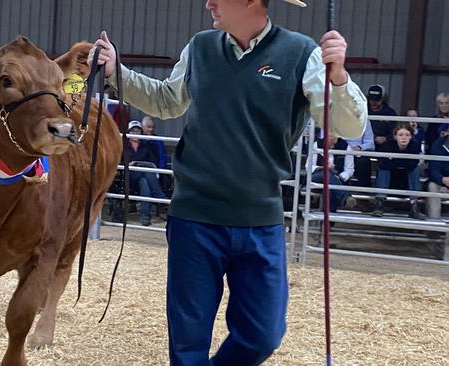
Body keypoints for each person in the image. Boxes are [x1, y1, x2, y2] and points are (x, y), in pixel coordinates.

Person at [89, 0, 367, 364]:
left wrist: (340, 78)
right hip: (194, 216)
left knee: (263, 335)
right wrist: (116, 71)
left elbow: (349, 126)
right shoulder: (200, 46)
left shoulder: (301, 53)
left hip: (260, 218)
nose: (208, 4)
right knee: (188, 343)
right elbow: (166, 101)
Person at [372, 123, 425, 220]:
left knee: (414, 170)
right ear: (395, 136)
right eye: (400, 135)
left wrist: (394, 161)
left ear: (411, 137)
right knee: (384, 170)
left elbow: (413, 164)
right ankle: (379, 204)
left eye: (407, 135)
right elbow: (383, 164)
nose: (404, 138)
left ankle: (414, 206)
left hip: (407, 182)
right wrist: (402, 163)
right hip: (390, 181)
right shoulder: (387, 146)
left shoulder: (415, 146)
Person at [125, 120, 168, 226]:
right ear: (128, 132)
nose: (135, 134)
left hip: (143, 175)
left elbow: (152, 161)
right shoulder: (123, 145)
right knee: (146, 174)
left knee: (144, 182)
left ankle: (145, 217)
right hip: (128, 176)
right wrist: (127, 164)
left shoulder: (146, 145)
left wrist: (138, 163)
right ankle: (161, 198)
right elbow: (117, 160)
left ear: (141, 132)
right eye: (133, 131)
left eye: (138, 131)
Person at [307, 132, 356, 212]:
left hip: (336, 179)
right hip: (317, 176)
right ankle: (346, 197)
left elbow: (349, 170)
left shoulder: (346, 146)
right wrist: (322, 168)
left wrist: (340, 176)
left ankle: (329, 222)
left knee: (330, 190)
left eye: (334, 135)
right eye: (329, 135)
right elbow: (308, 166)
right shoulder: (317, 144)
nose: (331, 137)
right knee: (327, 174)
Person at [347, 115, 375, 188]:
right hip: (341, 150)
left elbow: (370, 143)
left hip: (358, 153)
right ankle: (342, 194)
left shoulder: (365, 121)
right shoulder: (336, 119)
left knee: (364, 162)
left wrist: (360, 147)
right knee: (339, 159)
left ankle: (362, 194)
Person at [367, 84, 398, 151]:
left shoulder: (390, 113)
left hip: (385, 144)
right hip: (365, 143)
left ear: (383, 99)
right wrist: (373, 137)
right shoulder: (363, 111)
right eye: (371, 100)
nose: (373, 102)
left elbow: (396, 131)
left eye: (377, 100)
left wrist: (386, 138)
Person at [426, 134, 449, 219]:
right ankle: (434, 224)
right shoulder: (438, 143)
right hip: (442, 184)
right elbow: (433, 170)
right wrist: (442, 179)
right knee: (432, 186)